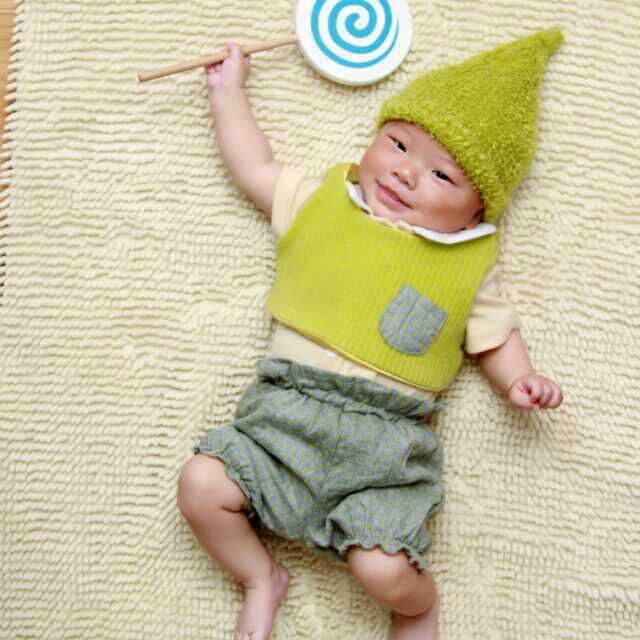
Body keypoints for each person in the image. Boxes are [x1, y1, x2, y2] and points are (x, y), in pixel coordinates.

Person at [177, 29, 565, 640]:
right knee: (201, 485)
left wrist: (520, 379)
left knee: (384, 570)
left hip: (383, 453)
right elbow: (254, 166)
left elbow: (493, 334)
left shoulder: (469, 263)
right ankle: (259, 576)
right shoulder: (322, 202)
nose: (406, 173)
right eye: (398, 144)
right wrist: (229, 95)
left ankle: (417, 609)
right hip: (281, 424)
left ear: (477, 211)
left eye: (442, 176)